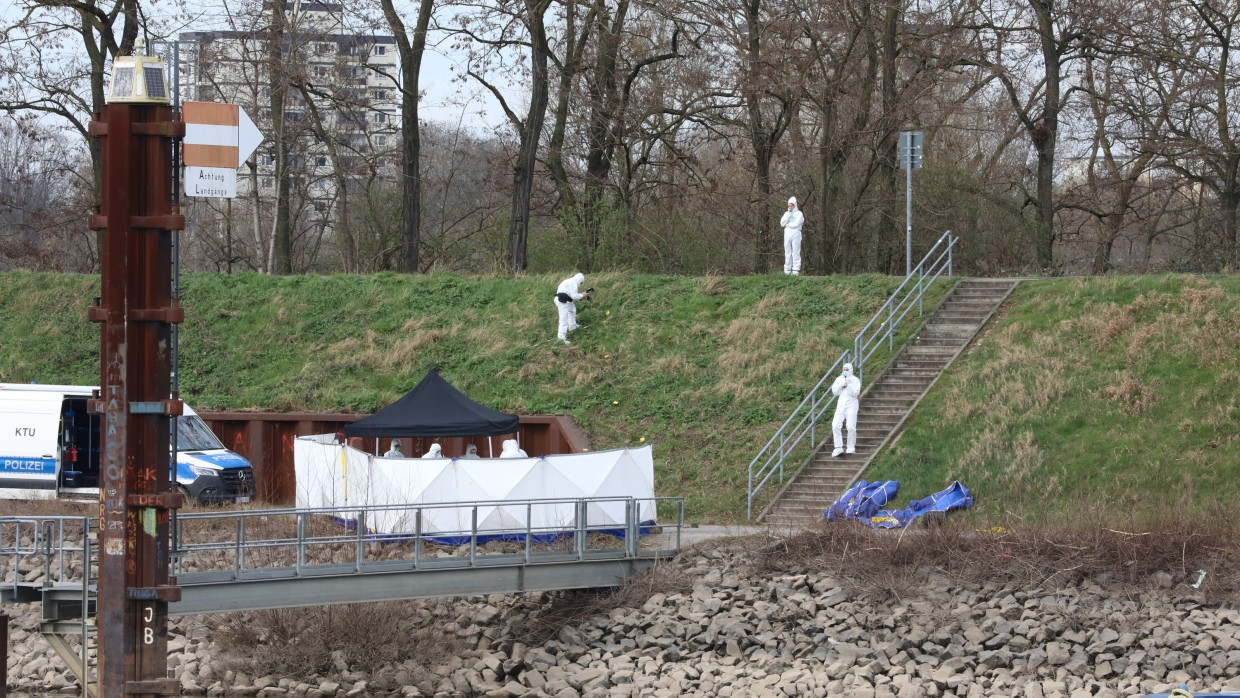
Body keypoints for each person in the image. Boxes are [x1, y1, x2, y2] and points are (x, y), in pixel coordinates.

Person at [830, 362, 861, 457]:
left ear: (851, 370)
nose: (845, 371)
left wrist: (849, 385)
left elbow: (856, 393)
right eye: (844, 369)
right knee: (835, 425)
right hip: (841, 404)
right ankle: (838, 447)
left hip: (851, 404)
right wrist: (841, 385)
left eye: (847, 369)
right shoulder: (839, 379)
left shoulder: (855, 380)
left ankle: (850, 447)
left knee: (851, 426)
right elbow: (834, 392)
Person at [553, 273, 591, 345]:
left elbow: (570, 297)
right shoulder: (573, 283)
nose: (581, 284)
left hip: (565, 300)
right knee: (563, 320)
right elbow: (574, 296)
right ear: (580, 281)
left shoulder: (570, 281)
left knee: (572, 310)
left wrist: (581, 297)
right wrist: (582, 295)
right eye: (581, 282)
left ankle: (572, 326)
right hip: (562, 301)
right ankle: (561, 338)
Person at [780, 196, 805, 275]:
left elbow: (797, 224)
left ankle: (795, 269)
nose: (790, 207)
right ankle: (787, 269)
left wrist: (788, 225)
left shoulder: (799, 214)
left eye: (792, 206)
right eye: (789, 206)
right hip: (787, 234)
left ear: (795, 205)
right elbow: (782, 223)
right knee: (788, 252)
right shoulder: (786, 214)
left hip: (796, 233)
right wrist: (787, 217)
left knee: (796, 252)